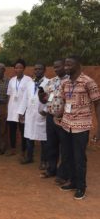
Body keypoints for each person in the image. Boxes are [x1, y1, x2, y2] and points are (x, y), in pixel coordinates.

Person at [59, 55, 100, 200]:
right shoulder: (65, 83)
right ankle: (73, 182)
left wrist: (98, 128)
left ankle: (81, 187)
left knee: (79, 157)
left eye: (69, 64)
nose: (66, 67)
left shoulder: (88, 82)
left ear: (78, 65)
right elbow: (64, 102)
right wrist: (59, 114)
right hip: (66, 125)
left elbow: (97, 104)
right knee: (68, 155)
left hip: (81, 126)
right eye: (65, 65)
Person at [38, 59, 69, 183]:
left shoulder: (70, 81)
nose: (56, 69)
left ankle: (63, 174)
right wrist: (42, 98)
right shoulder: (51, 81)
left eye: (59, 67)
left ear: (64, 67)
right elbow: (45, 99)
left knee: (65, 147)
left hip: (63, 118)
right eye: (55, 67)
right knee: (51, 145)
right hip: (50, 118)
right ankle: (51, 169)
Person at [18, 63, 49, 165]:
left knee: (43, 139)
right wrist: (21, 112)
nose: (37, 71)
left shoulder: (49, 83)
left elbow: (52, 97)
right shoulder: (30, 83)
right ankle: (29, 157)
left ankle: (43, 161)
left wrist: (46, 110)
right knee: (28, 136)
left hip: (42, 114)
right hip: (30, 114)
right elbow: (25, 98)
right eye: (35, 69)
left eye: (40, 69)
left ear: (44, 70)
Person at [6, 59, 32, 156]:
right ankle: (13, 149)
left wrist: (25, 110)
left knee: (23, 131)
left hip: (23, 110)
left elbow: (29, 96)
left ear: (24, 68)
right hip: (12, 109)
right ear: (14, 69)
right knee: (12, 131)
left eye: (20, 67)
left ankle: (23, 150)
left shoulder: (28, 80)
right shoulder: (12, 80)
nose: (18, 69)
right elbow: (9, 95)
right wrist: (8, 109)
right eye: (16, 67)